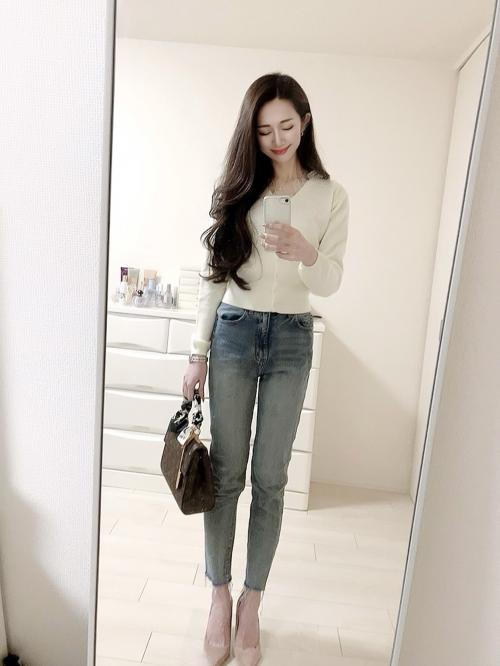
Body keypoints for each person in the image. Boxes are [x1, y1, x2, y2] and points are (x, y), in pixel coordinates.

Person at [182, 72, 349, 665]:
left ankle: (252, 600)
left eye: (286, 126)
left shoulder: (330, 195)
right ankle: (219, 595)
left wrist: (307, 253)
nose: (277, 139)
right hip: (233, 331)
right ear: (250, 133)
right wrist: (197, 353)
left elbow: (330, 280)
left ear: (305, 122)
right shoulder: (238, 188)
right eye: (263, 130)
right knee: (227, 474)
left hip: (292, 338)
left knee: (271, 479)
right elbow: (213, 278)